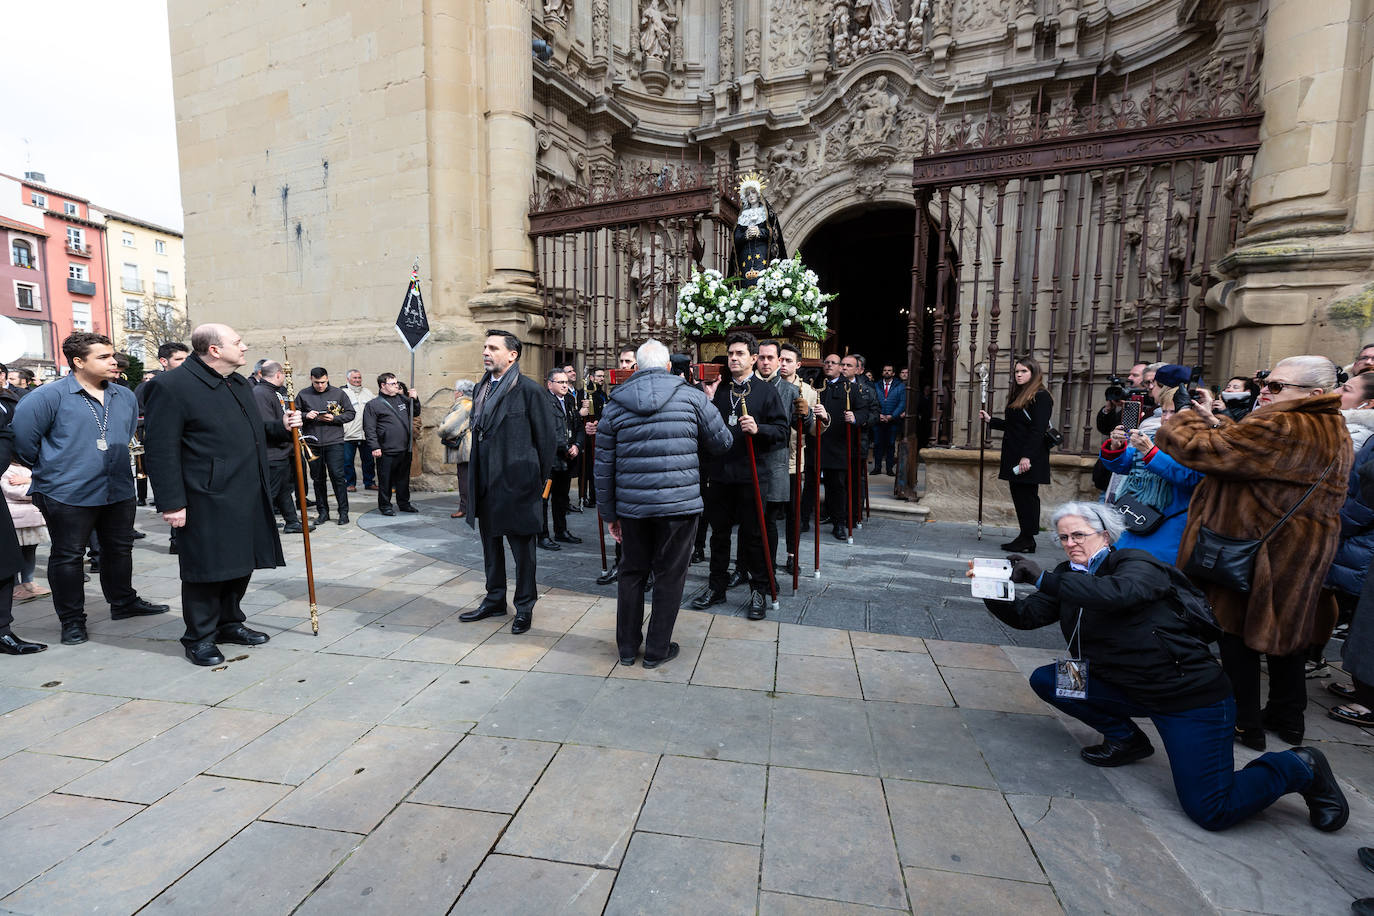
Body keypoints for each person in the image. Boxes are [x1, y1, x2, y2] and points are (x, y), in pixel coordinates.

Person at [971, 501, 1349, 834]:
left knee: (1212, 810)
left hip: (1187, 698)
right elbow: (1027, 616)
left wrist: (1042, 577)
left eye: (1079, 535)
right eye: (1064, 538)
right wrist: (991, 588)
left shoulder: (1138, 564)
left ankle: (1301, 767)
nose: (1071, 544)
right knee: (1048, 680)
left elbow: (1118, 595)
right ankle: (1128, 740)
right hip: (1124, 684)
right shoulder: (1068, 576)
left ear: (1105, 535)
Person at [1156, 355, 1352, 749]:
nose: (1265, 389)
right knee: (1285, 634)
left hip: (1253, 548)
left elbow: (1208, 452)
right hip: (1300, 548)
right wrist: (1218, 421)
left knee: (1235, 633)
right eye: (1266, 381)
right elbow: (1256, 456)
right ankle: (1287, 716)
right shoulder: (1333, 426)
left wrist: (1182, 419)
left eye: (1278, 386)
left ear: (1314, 393)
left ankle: (1245, 723)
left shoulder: (1283, 423)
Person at [143, 323, 302, 666]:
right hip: (206, 493)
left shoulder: (238, 382)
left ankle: (229, 623)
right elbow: (160, 448)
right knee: (207, 567)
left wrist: (281, 427)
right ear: (215, 350)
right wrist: (172, 502)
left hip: (247, 489)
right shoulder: (171, 386)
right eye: (237, 342)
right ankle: (198, 636)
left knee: (240, 561)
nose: (244, 347)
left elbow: (250, 430)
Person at [12, 333, 169, 646]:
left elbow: (122, 436)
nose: (114, 362)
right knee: (68, 556)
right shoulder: (47, 397)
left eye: (112, 355)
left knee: (119, 549)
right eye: (103, 357)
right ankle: (72, 621)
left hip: (117, 488)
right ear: (78, 362)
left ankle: (123, 602)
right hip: (65, 492)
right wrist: (57, 470)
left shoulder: (124, 396)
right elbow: (23, 443)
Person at [597, 339, 732, 666]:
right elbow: (723, 442)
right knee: (670, 575)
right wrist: (709, 404)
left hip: (633, 506)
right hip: (679, 504)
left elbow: (603, 466)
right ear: (669, 367)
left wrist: (609, 514)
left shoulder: (615, 404)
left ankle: (627, 649)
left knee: (632, 574)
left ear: (636, 368)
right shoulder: (692, 397)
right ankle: (657, 650)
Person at [458, 330, 557, 634]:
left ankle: (524, 606)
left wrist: (536, 483)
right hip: (486, 483)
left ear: (512, 355)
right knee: (491, 546)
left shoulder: (530, 391)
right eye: (484, 347)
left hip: (518, 485)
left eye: (493, 348)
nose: (485, 352)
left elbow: (547, 442)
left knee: (523, 552)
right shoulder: (481, 388)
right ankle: (495, 598)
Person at [689, 331, 787, 619]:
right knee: (718, 535)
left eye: (740, 353)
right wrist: (706, 401)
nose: (733, 358)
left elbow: (781, 432)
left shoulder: (767, 391)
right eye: (731, 353)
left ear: (754, 358)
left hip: (752, 475)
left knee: (754, 535)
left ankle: (758, 591)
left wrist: (760, 429)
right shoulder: (719, 389)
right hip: (720, 474)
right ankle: (716, 587)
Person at [1098, 386, 1202, 564]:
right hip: (1137, 518)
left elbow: (1190, 478)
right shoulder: (1153, 438)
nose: (1167, 417)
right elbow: (1123, 466)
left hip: (1171, 524)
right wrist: (1115, 447)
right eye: (1164, 411)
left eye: (1174, 411)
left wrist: (1150, 452)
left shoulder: (1200, 444)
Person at [979, 356, 1052, 553]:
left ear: (1034, 373)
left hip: (1028, 456)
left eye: (1023, 372)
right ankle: (1025, 537)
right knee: (1020, 496)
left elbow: (1038, 430)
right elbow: (1015, 426)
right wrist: (990, 421)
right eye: (1017, 371)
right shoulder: (1020, 395)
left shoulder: (1041, 396)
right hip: (1015, 454)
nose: (1019, 375)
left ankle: (1028, 539)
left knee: (1028, 497)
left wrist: (1027, 457)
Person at [816, 354, 874, 541]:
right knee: (818, 485)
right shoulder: (818, 384)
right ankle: (818, 516)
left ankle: (840, 523)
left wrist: (855, 417)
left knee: (838, 486)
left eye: (834, 363)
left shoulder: (853, 388)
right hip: (819, 442)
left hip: (839, 444)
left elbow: (865, 410)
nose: (829, 366)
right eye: (827, 362)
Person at [251, 361, 313, 535]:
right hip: (272, 453)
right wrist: (286, 429)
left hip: (283, 451)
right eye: (284, 375)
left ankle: (292, 522)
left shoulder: (275, 392)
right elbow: (266, 425)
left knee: (285, 490)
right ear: (278, 374)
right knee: (270, 493)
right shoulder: (260, 393)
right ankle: (258, 527)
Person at [596, 349, 641, 584]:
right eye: (621, 361)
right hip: (619, 467)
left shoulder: (644, 388)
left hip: (638, 465)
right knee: (620, 522)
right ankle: (619, 564)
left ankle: (647, 570)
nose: (623, 366)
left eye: (628, 362)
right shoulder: (614, 392)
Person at [296, 367, 355, 526]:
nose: (320, 385)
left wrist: (335, 418)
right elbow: (294, 413)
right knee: (318, 478)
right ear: (311, 379)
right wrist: (305, 415)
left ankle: (343, 512)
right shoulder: (303, 394)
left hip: (334, 441)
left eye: (323, 382)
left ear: (327, 378)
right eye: (316, 383)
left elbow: (351, 413)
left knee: (338, 477)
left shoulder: (338, 393)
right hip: (313, 442)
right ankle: (323, 512)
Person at [540, 367, 584, 550]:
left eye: (566, 382)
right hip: (550, 460)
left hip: (566, 460)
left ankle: (561, 531)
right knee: (543, 500)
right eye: (561, 382)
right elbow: (547, 430)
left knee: (561, 498)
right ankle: (542, 535)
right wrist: (564, 447)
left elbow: (578, 426)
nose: (565, 385)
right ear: (550, 384)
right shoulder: (544, 402)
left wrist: (577, 446)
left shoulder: (570, 401)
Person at [363, 373, 417, 516]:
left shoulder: (402, 399)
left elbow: (415, 412)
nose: (396, 385)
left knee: (403, 480)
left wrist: (415, 399)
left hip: (405, 448)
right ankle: (385, 506)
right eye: (392, 383)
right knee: (385, 480)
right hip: (386, 449)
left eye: (396, 383)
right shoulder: (373, 405)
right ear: (383, 385)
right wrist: (374, 446)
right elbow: (369, 428)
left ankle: (404, 503)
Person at [3, 463, 50, 602]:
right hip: (15, 520)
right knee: (13, 553)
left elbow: (45, 484)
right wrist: (35, 484)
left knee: (30, 551)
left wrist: (29, 481)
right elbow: (15, 491)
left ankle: (28, 582)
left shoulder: (29, 468)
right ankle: (15, 586)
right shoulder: (6, 468)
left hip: (32, 519)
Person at [439, 380, 474, 519]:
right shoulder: (474, 403)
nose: (454, 393)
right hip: (472, 446)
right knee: (471, 478)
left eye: (455, 390)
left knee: (464, 478)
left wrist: (441, 431)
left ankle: (464, 508)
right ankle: (472, 508)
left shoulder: (463, 405)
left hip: (464, 447)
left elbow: (448, 427)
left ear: (460, 392)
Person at [341, 369, 376, 492]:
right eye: (354, 378)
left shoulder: (368, 392)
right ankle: (349, 483)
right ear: (348, 379)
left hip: (366, 434)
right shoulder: (342, 393)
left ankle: (370, 482)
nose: (357, 380)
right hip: (348, 435)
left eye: (359, 378)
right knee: (347, 462)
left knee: (369, 461)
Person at [872, 363, 905, 475]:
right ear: (882, 372)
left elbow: (902, 403)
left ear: (893, 373)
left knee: (890, 445)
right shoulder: (876, 385)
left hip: (893, 420)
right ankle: (877, 468)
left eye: (889, 370)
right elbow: (873, 401)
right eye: (885, 370)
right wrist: (879, 414)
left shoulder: (900, 386)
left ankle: (889, 469)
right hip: (878, 420)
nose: (887, 372)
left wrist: (892, 416)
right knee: (877, 444)